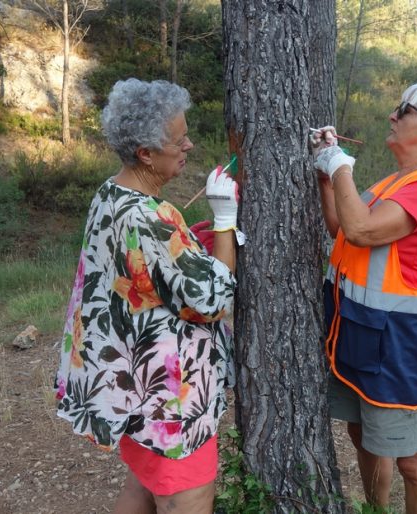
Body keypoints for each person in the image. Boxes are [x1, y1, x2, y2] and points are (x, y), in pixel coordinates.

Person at [54, 79, 241, 514]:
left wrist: (190, 243)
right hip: (170, 402)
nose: (189, 145)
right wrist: (225, 221)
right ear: (146, 153)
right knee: (182, 499)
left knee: (141, 487)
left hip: (135, 393)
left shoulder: (111, 194)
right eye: (180, 139)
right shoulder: (148, 216)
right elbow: (211, 298)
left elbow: (145, 271)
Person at [312, 81, 417, 514]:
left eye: (405, 110)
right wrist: (328, 179)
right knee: (362, 435)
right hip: (359, 337)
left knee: (414, 462)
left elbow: (362, 229)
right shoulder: (398, 182)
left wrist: (341, 165)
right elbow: (345, 230)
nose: (392, 115)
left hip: (403, 348)